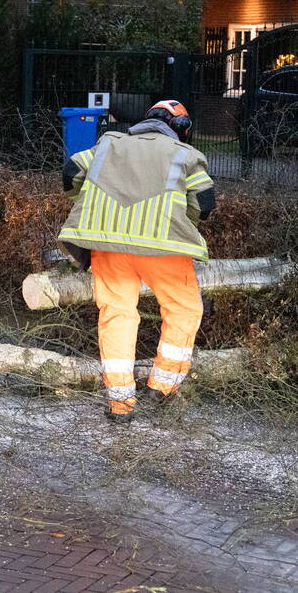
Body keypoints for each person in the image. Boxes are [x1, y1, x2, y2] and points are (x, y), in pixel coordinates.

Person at [57, 100, 216, 423]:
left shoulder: (109, 144)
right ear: (182, 129)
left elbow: (70, 173)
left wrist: (92, 204)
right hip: (165, 250)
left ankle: (120, 404)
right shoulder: (185, 155)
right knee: (184, 310)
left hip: (109, 247)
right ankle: (162, 387)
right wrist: (181, 219)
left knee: (116, 315)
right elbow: (204, 203)